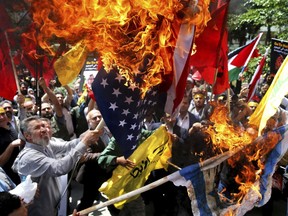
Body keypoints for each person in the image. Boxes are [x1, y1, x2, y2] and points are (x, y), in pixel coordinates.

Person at [12, 116, 102, 216]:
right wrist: (85, 142)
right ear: (27, 136)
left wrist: (89, 134)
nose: (44, 129)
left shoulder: (45, 144)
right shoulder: (30, 156)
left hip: (53, 205)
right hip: (41, 210)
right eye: (37, 128)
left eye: (43, 126)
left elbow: (67, 146)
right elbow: (60, 167)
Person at [76, 109, 111, 211]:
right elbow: (86, 155)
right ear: (89, 121)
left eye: (100, 116)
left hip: (109, 172)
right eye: (94, 118)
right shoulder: (85, 136)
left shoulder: (109, 131)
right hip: (93, 174)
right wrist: (107, 156)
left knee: (113, 199)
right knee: (87, 202)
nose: (98, 119)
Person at [0, 107, 24, 184]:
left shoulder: (11, 126)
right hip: (8, 178)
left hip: (21, 172)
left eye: (2, 114)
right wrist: (11, 146)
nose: (1, 117)